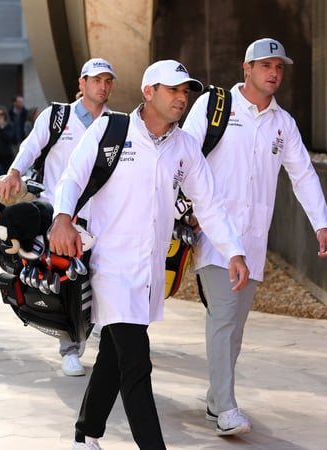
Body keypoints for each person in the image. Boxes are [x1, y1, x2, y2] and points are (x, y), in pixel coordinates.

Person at [48, 59, 250, 450]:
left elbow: (209, 205)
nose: (181, 98)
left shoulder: (185, 146)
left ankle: (85, 434)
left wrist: (235, 252)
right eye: (172, 90)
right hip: (109, 265)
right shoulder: (111, 129)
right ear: (148, 92)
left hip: (148, 272)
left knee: (114, 354)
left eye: (185, 91)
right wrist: (61, 218)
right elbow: (72, 176)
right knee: (137, 363)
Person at [182, 38, 327, 436]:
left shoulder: (283, 123)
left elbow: (302, 174)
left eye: (279, 67)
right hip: (214, 235)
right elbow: (184, 157)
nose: (273, 73)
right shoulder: (215, 107)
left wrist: (322, 223)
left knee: (235, 325)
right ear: (245, 68)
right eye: (265, 65)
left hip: (252, 243)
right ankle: (226, 407)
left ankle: (217, 398)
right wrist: (185, 211)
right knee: (222, 317)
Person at [0, 57, 117, 377]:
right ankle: (69, 348)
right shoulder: (56, 117)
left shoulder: (116, 124)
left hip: (101, 215)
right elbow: (30, 147)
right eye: (96, 80)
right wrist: (13, 173)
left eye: (107, 81)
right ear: (81, 83)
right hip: (58, 214)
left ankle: (102, 333)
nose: (102, 87)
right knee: (68, 281)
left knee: (103, 278)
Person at [0, 106, 16, 175]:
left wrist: (2, 127)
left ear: (5, 115)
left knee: (6, 174)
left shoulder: (9, 125)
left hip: (7, 154)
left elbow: (9, 138)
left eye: (1, 114)